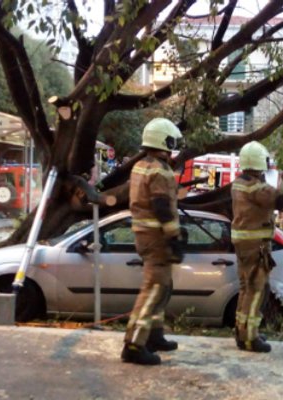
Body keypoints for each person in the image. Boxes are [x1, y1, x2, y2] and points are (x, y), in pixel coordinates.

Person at [121, 118, 183, 366]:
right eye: (171, 141)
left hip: (147, 235)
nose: (174, 145)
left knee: (163, 286)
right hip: (156, 237)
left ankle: (154, 335)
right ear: (163, 140)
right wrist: (174, 236)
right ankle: (134, 345)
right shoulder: (158, 169)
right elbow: (160, 205)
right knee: (154, 289)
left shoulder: (142, 165)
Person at [231, 141, 283, 353]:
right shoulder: (255, 186)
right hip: (255, 245)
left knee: (245, 288)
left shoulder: (240, 182)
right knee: (256, 289)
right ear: (260, 162)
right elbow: (281, 200)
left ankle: (242, 331)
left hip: (244, 244)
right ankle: (249, 337)